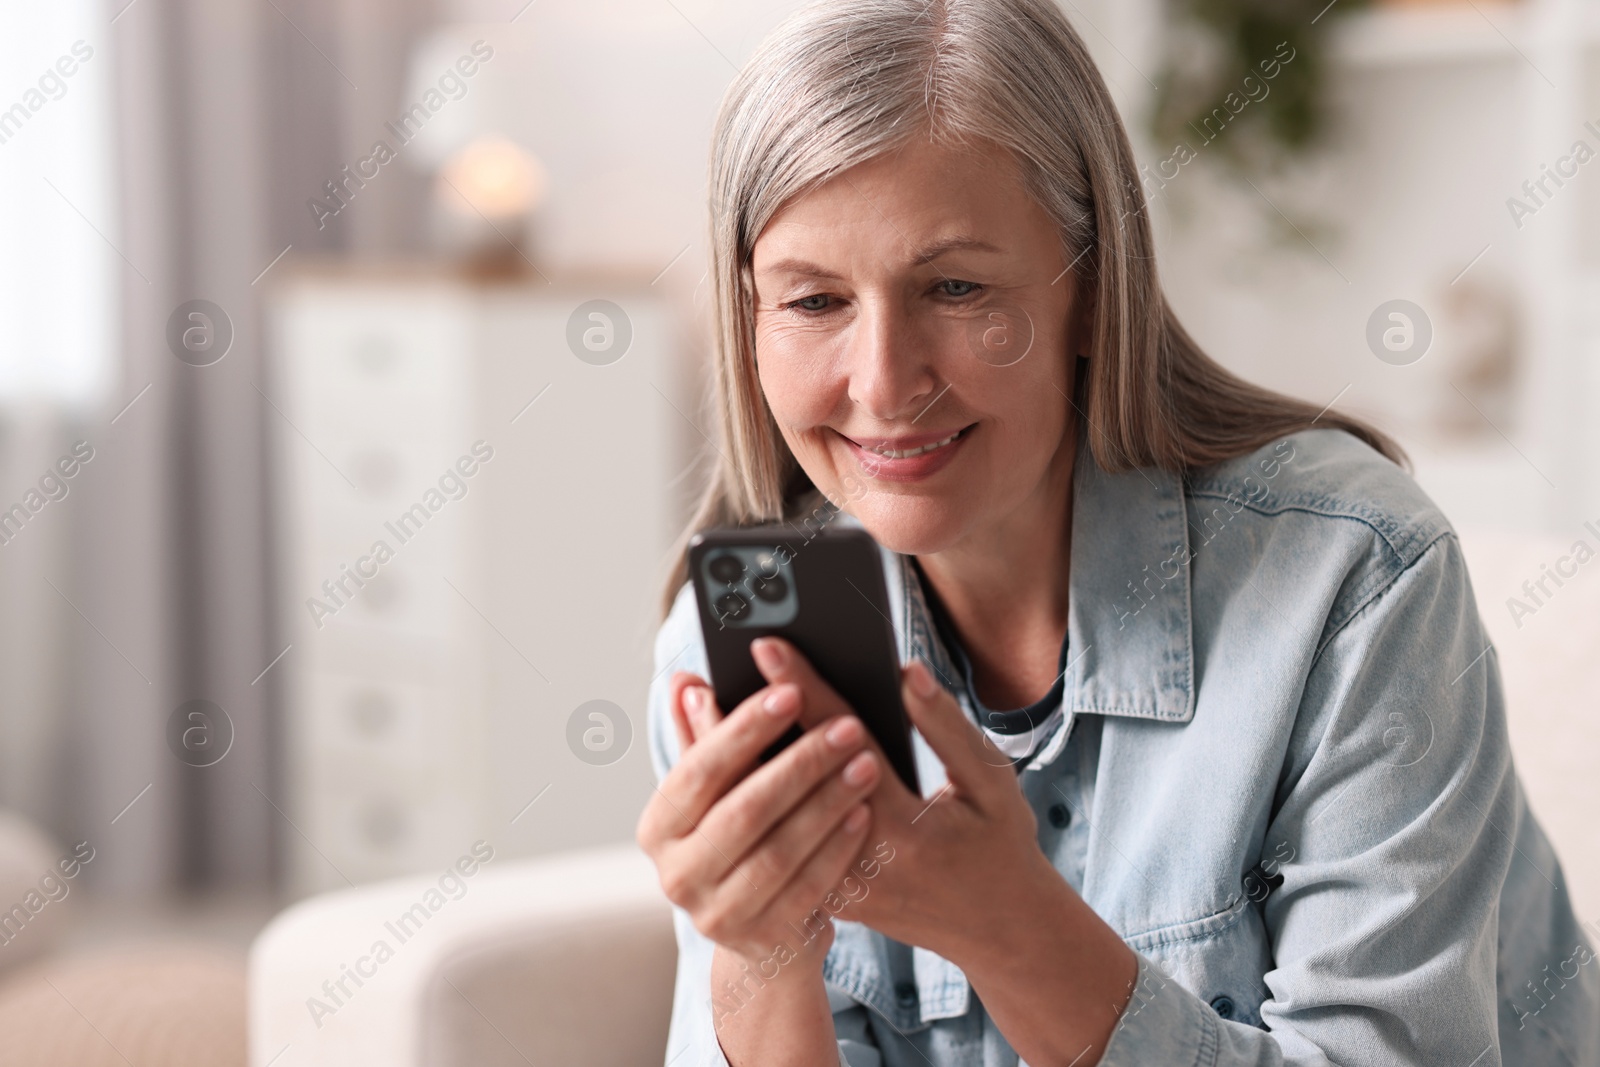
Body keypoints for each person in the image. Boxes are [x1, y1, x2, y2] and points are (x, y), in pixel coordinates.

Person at [633, 1, 1600, 1063]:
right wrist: (757, 953)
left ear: (1091, 286)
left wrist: (1010, 923)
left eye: (955, 287)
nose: (883, 382)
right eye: (813, 301)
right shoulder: (738, 638)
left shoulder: (1350, 577)